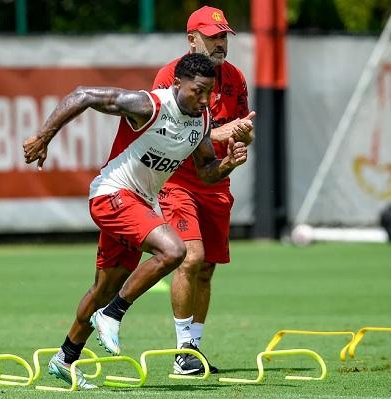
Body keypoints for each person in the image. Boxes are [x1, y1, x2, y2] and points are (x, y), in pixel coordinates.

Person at [23, 53, 248, 389]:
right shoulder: (149, 105)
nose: (204, 100)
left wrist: (228, 163)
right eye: (197, 91)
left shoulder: (200, 121)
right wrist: (44, 137)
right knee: (174, 251)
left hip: (137, 204)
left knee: (102, 289)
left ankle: (65, 358)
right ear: (176, 84)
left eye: (209, 93)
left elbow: (205, 172)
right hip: (111, 195)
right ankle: (113, 314)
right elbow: (82, 94)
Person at [152, 6, 255, 375]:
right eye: (213, 37)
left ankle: (193, 348)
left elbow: (245, 129)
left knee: (208, 268)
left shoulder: (235, 77)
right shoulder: (169, 76)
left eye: (224, 36)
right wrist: (219, 134)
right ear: (191, 39)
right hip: (177, 181)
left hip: (216, 181)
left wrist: (242, 137)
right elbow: (164, 133)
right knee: (190, 257)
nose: (221, 43)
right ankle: (182, 353)